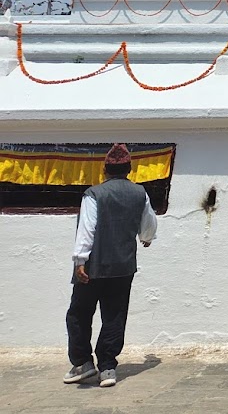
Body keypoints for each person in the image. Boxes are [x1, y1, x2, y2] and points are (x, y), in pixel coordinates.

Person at [63, 143, 158, 388]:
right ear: (129, 169)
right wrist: (146, 237)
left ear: (104, 169)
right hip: (123, 266)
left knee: (79, 313)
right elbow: (149, 222)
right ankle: (107, 367)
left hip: (93, 266)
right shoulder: (140, 193)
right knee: (114, 315)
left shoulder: (94, 194)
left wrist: (80, 259)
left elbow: (87, 228)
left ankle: (83, 363)